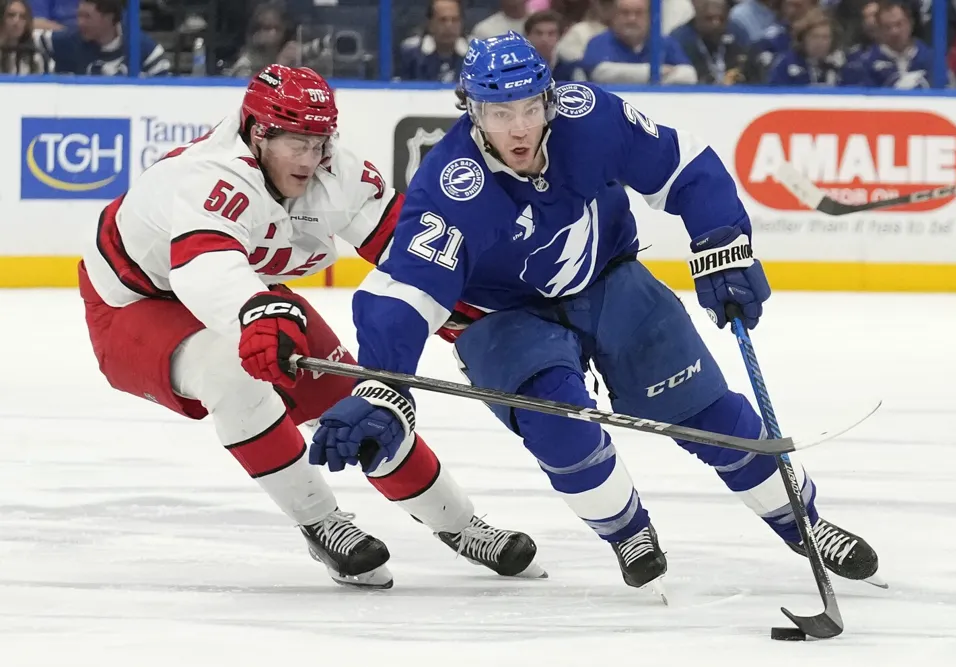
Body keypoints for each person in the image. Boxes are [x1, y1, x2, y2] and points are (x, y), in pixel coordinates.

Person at [301, 33, 882, 598]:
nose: (519, 127)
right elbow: (405, 293)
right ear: (471, 110)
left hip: (608, 278)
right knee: (559, 424)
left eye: (530, 107)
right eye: (499, 113)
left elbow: (685, 167)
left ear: (551, 98)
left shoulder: (591, 118)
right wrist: (381, 386)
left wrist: (722, 242)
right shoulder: (453, 185)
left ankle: (803, 522)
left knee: (704, 409)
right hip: (503, 315)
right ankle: (628, 533)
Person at [78, 64, 543, 590]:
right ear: (258, 132)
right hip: (133, 306)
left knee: (358, 405)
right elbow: (204, 266)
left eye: (319, 141)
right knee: (232, 376)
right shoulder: (208, 178)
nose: (310, 159)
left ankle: (463, 527)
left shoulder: (336, 172)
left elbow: (410, 254)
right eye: (296, 143)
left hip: (246, 292)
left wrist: (478, 317)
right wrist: (256, 313)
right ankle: (321, 522)